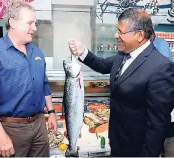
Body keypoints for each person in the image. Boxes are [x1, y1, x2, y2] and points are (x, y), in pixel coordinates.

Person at [69, 8, 174, 157]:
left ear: (139, 35)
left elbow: (157, 125)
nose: (115, 35)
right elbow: (102, 65)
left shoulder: (160, 67)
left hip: (137, 149)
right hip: (117, 140)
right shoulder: (123, 55)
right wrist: (82, 51)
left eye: (120, 31)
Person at [0, 1, 57, 157]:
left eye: (35, 23)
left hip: (39, 124)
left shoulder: (37, 52)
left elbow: (44, 84)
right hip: (12, 128)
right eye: (30, 23)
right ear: (12, 22)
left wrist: (51, 112)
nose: (35, 28)